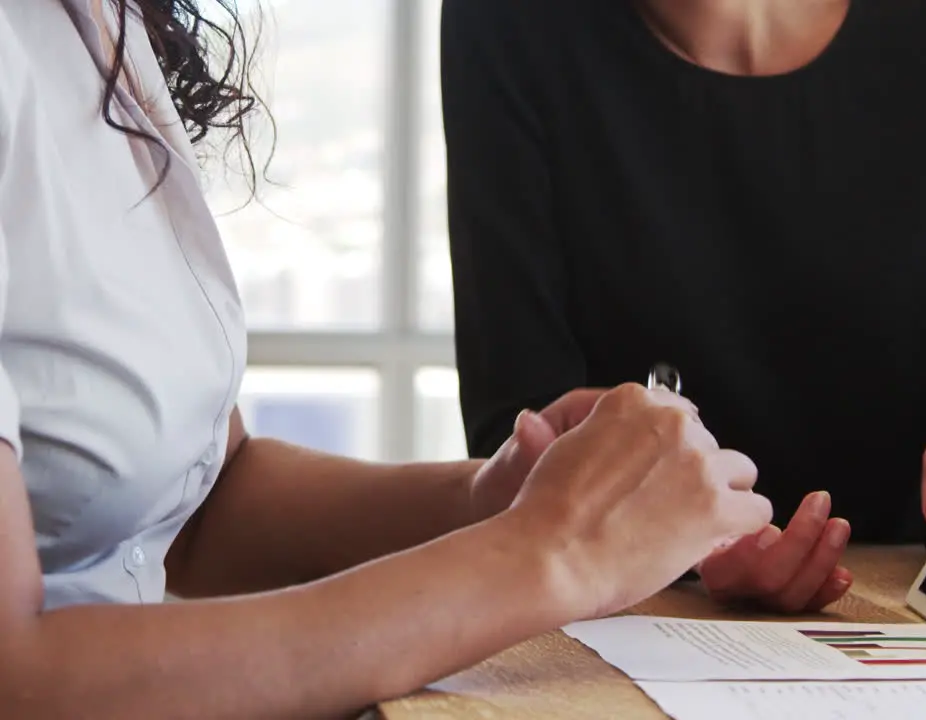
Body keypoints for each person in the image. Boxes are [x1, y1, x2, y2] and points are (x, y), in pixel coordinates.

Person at [0, 2, 778, 716]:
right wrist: (549, 552)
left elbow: (200, 507)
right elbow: (17, 678)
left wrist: (493, 499)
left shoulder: (97, 23)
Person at [443, 0, 926, 614]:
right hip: (628, 607)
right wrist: (682, 542)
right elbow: (515, 445)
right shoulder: (509, 19)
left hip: (902, 616)